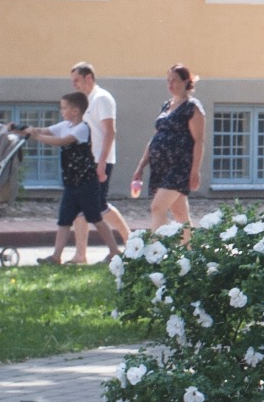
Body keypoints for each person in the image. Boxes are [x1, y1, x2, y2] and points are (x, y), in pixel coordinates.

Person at [25, 91, 123, 264]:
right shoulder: (66, 125)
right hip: (71, 184)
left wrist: (37, 137)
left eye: (64, 108)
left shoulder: (82, 128)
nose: (62, 111)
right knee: (64, 220)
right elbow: (45, 130)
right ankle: (56, 256)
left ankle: (115, 251)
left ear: (76, 111)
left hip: (86, 183)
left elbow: (63, 141)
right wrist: (24, 130)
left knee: (95, 218)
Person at [68, 62, 130, 263]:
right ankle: (80, 255)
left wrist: (101, 162)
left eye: (77, 80)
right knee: (80, 208)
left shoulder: (101, 98)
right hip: (86, 163)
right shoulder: (85, 101)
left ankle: (130, 241)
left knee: (99, 206)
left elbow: (109, 132)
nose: (74, 85)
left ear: (89, 78)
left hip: (99, 161)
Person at [133, 64, 205, 231]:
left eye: (174, 80)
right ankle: (190, 252)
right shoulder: (166, 106)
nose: (170, 84)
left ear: (186, 81)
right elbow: (156, 138)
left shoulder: (192, 107)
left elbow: (199, 141)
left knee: (157, 207)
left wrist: (194, 171)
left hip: (179, 167)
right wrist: (141, 166)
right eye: (168, 80)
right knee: (180, 214)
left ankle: (156, 252)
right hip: (160, 167)